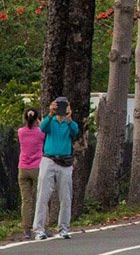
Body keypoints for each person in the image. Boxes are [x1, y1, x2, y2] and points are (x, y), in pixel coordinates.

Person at [33, 96, 80, 241]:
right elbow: (42, 128)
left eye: (64, 105)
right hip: (49, 159)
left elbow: (75, 131)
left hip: (65, 162)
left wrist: (69, 118)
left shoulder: (69, 123)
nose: (61, 108)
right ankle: (39, 229)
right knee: (43, 195)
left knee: (66, 196)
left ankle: (64, 228)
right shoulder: (50, 121)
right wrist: (51, 113)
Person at [17, 108, 44, 239]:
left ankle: (26, 229)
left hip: (23, 168)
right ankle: (41, 226)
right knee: (41, 197)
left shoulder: (21, 132)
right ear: (37, 119)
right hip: (37, 167)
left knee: (26, 200)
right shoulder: (40, 133)